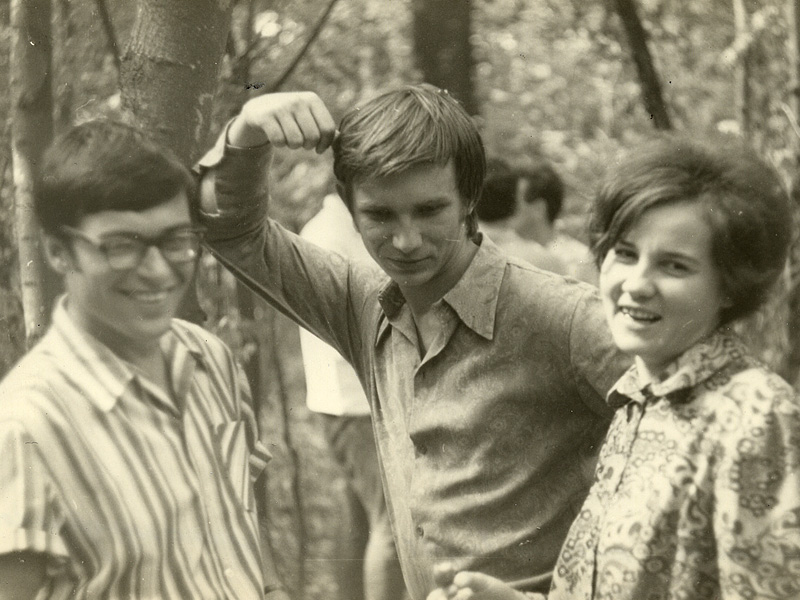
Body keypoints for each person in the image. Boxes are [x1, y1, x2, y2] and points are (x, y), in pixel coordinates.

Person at [195, 86, 628, 600]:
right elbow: (230, 230)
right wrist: (247, 130)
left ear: (468, 199)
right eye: (380, 215)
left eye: (429, 210)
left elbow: (693, 438)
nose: (406, 240)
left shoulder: (564, 316)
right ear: (350, 207)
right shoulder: (366, 307)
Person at [427, 137, 800, 600]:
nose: (636, 284)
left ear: (730, 286)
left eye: (674, 266)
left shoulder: (755, 416)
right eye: (624, 253)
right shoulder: (639, 399)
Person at [0, 121, 287, 600]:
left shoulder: (210, 358)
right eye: (122, 246)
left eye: (175, 240)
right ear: (57, 252)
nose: (157, 271)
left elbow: (240, 514)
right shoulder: (23, 426)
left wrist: (273, 588)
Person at [298, 193, 406, 600]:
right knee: (392, 525)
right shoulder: (329, 235)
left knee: (361, 518)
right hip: (355, 401)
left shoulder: (341, 230)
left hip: (352, 398)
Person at [475, 160, 567, 275]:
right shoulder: (501, 242)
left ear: (539, 208)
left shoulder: (566, 259)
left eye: (515, 198)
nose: (509, 204)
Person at [514, 161, 597, 285]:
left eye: (514, 203)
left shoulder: (577, 262)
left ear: (539, 209)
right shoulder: (507, 250)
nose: (505, 208)